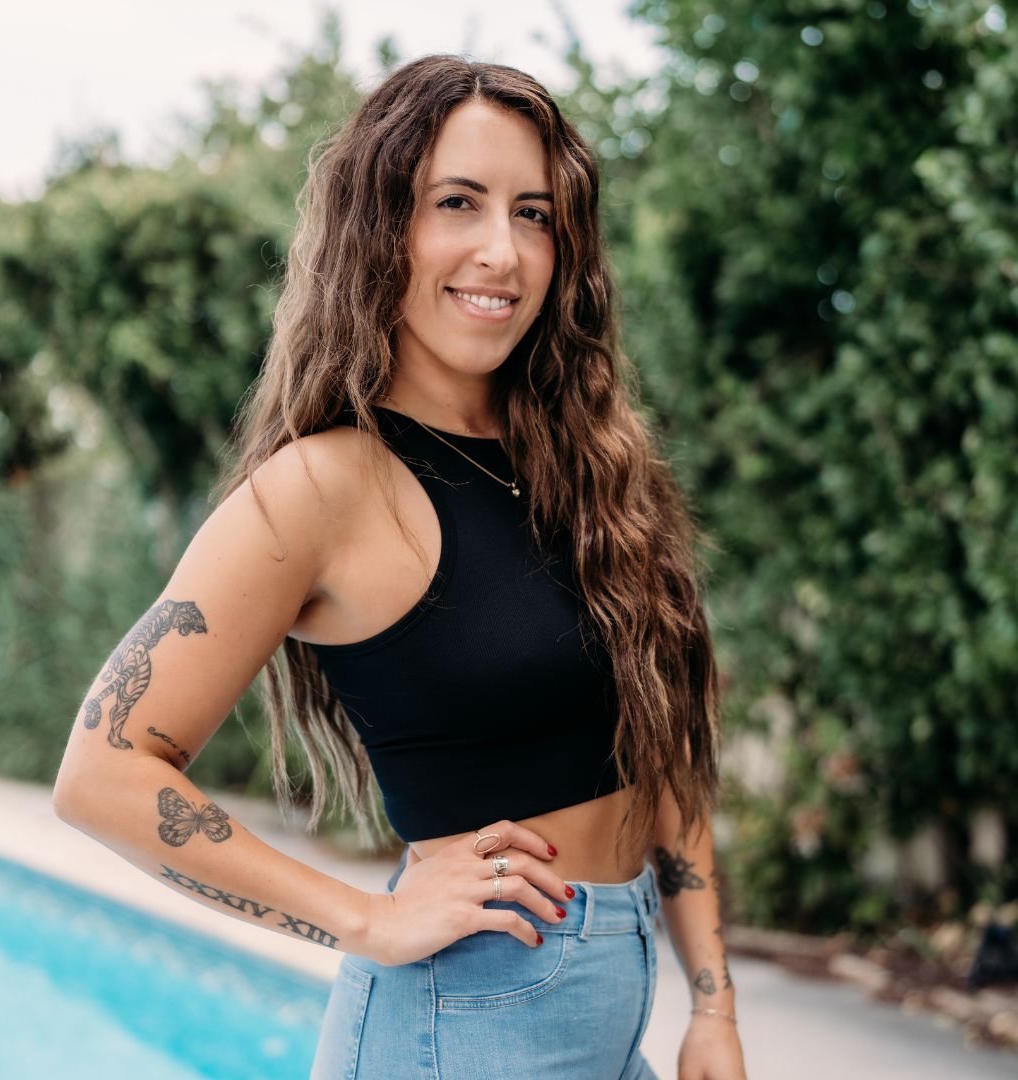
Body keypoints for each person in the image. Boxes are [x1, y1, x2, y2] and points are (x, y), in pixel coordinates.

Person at [53, 56, 748, 1080]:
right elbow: (100, 775)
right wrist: (364, 920)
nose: (501, 250)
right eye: (456, 203)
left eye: (534, 214)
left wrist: (713, 1002)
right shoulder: (322, 489)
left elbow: (661, 742)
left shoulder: (589, 468)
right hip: (462, 1030)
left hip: (612, 1014)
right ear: (380, 228)